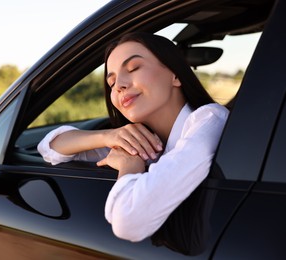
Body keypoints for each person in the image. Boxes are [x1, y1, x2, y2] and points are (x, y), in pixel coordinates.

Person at [37, 32, 229, 242]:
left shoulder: (210, 119)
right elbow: (51, 147)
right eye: (111, 83)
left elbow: (127, 222)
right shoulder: (136, 138)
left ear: (175, 74)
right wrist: (108, 136)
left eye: (134, 68)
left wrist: (129, 166)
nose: (119, 85)